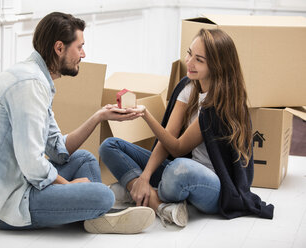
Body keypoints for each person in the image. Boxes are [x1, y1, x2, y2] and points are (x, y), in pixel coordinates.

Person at [0, 12, 155, 234]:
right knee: (104, 194)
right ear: (59, 48)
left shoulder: (36, 78)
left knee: (84, 158)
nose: (83, 54)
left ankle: (92, 213)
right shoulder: (30, 85)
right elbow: (32, 165)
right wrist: (69, 187)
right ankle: (96, 210)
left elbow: (58, 149)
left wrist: (99, 116)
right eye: (80, 47)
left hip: (14, 182)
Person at [100, 28, 274, 228]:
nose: (189, 62)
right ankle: (153, 200)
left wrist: (145, 115)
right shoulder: (188, 86)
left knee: (179, 168)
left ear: (217, 66)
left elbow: (177, 148)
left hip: (214, 186)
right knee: (109, 146)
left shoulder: (217, 105)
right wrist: (145, 177)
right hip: (181, 172)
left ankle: (140, 193)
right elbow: (168, 138)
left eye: (199, 60)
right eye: (189, 53)